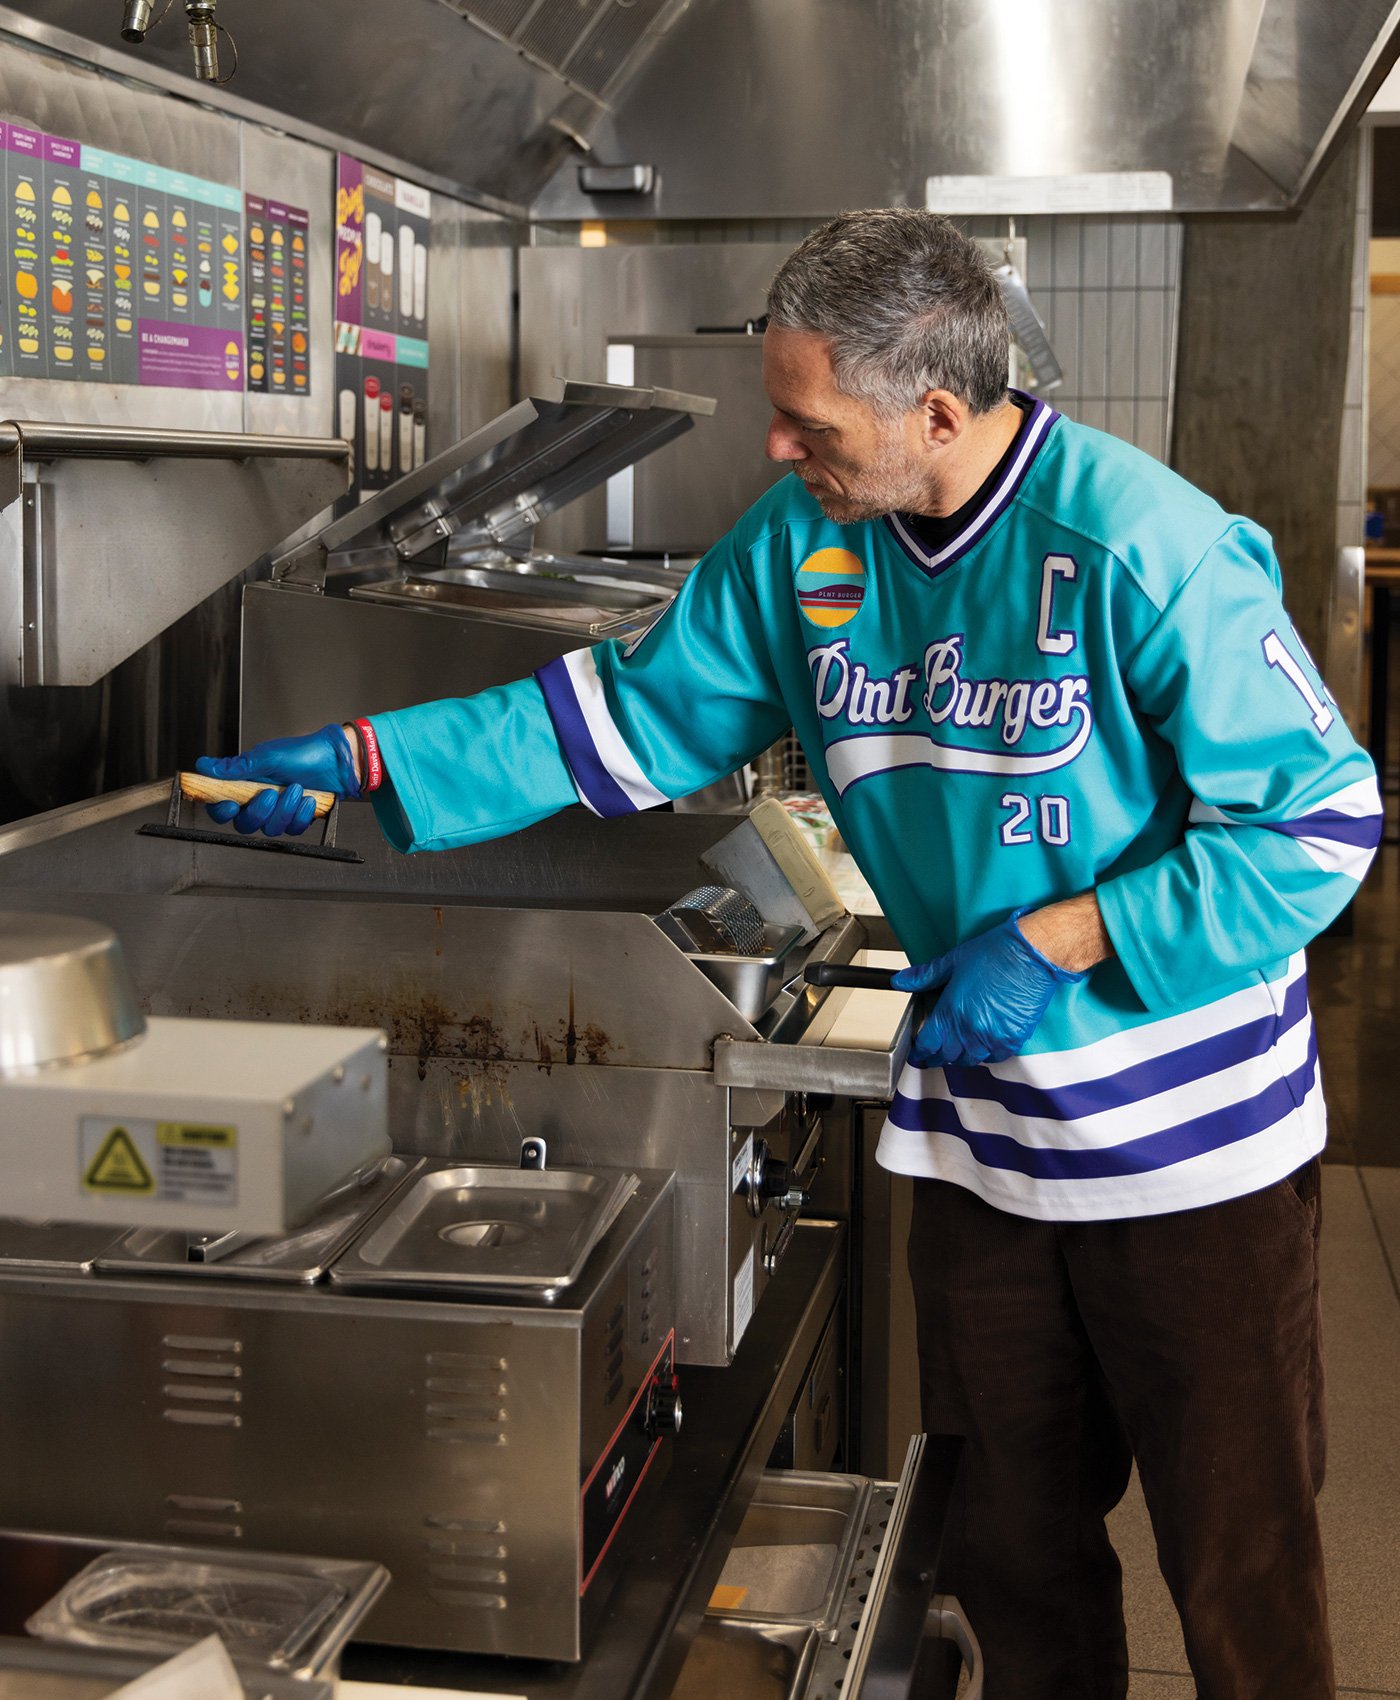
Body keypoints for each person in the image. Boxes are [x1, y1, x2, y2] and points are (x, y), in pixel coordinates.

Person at [199, 209, 1380, 1699]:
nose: (773, 448)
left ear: (936, 412)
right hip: (984, 1153)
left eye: (804, 419)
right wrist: (379, 756)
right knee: (1013, 1561)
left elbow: (1324, 828)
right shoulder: (808, 542)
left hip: (1193, 1162)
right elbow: (626, 717)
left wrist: (1076, 932)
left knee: (1241, 1570)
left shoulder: (1145, 548)